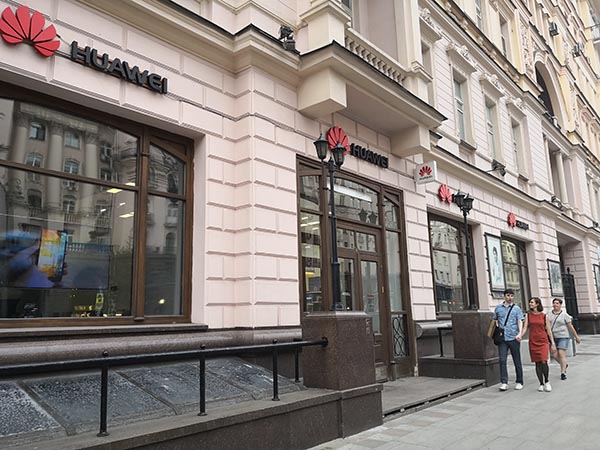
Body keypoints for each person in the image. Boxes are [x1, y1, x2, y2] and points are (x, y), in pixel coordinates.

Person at [519, 297, 556, 392]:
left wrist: (552, 343)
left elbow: (549, 330)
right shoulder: (528, 315)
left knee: (543, 360)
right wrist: (520, 335)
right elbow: (525, 328)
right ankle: (541, 383)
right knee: (537, 362)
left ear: (537, 304)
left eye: (532, 302)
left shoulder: (544, 316)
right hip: (533, 341)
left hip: (543, 341)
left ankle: (547, 381)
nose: (530, 304)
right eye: (530, 302)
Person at [493, 288, 525, 391]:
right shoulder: (498, 308)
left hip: (514, 337)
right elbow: (495, 320)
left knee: (516, 360)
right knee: (502, 360)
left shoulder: (516, 308)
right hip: (503, 338)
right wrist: (497, 331)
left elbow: (520, 321)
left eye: (511, 296)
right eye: (508, 295)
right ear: (504, 296)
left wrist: (520, 333)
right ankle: (504, 382)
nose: (510, 298)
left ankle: (519, 381)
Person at [549, 298, 581, 380]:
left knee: (561, 353)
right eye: (554, 303)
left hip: (563, 336)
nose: (555, 305)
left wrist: (576, 336)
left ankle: (563, 372)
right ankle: (564, 364)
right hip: (553, 337)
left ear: (560, 305)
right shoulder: (549, 314)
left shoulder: (564, 315)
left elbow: (570, 327)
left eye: (557, 303)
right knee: (554, 354)